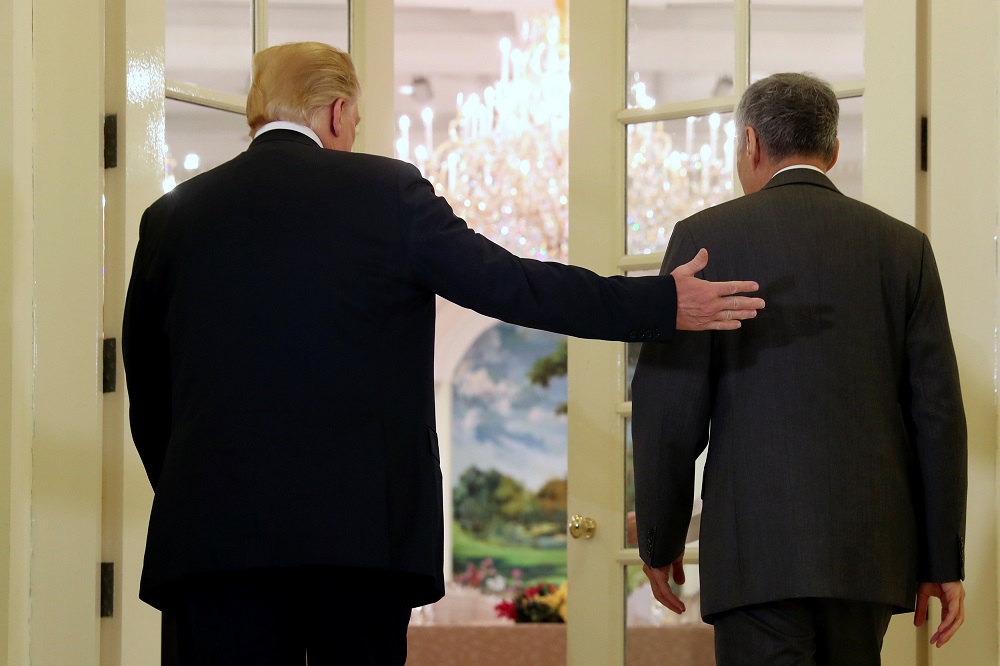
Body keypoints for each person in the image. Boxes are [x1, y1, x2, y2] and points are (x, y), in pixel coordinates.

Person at [122, 41, 764, 665]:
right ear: (338, 112)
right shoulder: (386, 193)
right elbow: (514, 286)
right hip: (363, 544)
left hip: (212, 545)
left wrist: (195, 490)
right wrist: (659, 303)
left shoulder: (171, 217)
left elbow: (148, 385)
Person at [632, 72, 967, 665]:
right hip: (868, 558)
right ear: (834, 151)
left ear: (752, 144)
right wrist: (941, 560)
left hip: (754, 553)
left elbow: (668, 409)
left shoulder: (704, 239)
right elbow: (937, 416)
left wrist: (661, 535)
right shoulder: (903, 248)